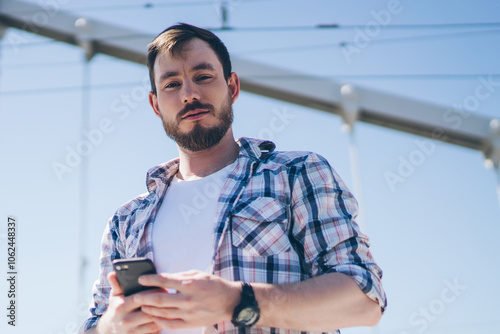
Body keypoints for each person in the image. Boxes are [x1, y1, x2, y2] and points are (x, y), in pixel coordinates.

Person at [79, 23, 387, 334]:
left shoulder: (296, 174)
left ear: (233, 87)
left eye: (203, 77)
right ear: (156, 105)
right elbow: (94, 322)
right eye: (172, 84)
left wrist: (238, 301)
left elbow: (363, 298)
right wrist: (109, 328)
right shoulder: (126, 222)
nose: (189, 94)